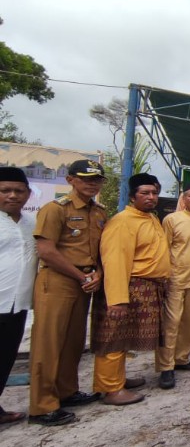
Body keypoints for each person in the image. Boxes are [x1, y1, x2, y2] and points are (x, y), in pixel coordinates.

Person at [28, 160, 107, 426]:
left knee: (73, 342)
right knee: (48, 344)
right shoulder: (55, 209)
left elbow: (98, 250)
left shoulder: (99, 212)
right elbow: (47, 251)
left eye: (97, 179)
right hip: (59, 280)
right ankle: (42, 406)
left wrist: (97, 273)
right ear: (71, 180)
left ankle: (67, 391)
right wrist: (82, 275)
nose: (92, 183)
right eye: (86, 178)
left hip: (85, 281)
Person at [93, 173, 170, 406]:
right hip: (129, 287)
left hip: (146, 287)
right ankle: (111, 389)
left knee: (124, 339)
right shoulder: (122, 221)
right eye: (145, 193)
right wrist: (116, 299)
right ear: (132, 195)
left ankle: (118, 379)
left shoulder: (149, 218)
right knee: (114, 338)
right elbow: (115, 261)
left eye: (154, 193)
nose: (151, 197)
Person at [155, 183, 190, 389]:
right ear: (184, 198)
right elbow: (163, 249)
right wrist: (164, 276)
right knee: (171, 324)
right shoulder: (172, 219)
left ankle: (181, 359)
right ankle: (166, 367)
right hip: (175, 279)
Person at [0, 167, 37, 425]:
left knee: (5, 358)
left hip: (18, 304)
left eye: (19, 191)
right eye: (5, 190)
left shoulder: (30, 223)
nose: (13, 195)